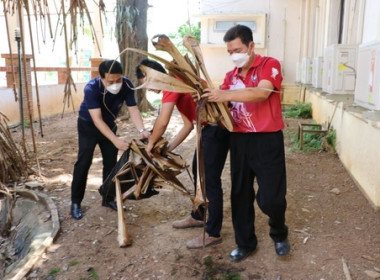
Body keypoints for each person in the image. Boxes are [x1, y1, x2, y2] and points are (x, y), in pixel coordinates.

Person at [202, 24, 290, 261]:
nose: (234, 55)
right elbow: (223, 106)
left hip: (267, 138)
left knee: (272, 198)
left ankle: (279, 232)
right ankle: (245, 243)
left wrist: (225, 94)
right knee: (240, 194)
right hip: (239, 139)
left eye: (238, 49)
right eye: (229, 51)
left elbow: (262, 94)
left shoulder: (269, 65)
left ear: (251, 46)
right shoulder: (231, 76)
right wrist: (209, 101)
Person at [136, 59, 230, 249]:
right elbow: (188, 125)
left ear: (152, 76)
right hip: (207, 131)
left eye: (145, 83)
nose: (147, 88)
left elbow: (163, 122)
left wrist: (152, 143)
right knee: (198, 175)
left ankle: (213, 233)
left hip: (216, 129)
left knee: (209, 181)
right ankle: (198, 215)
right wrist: (168, 149)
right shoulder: (179, 83)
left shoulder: (172, 83)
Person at [70, 59, 149, 220]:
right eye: (110, 81)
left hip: (109, 125)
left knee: (111, 163)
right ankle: (76, 202)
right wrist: (115, 140)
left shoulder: (126, 85)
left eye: (118, 79)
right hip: (88, 126)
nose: (115, 84)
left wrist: (142, 130)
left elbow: (133, 109)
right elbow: (97, 119)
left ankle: (108, 198)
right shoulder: (92, 88)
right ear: (101, 78)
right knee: (83, 162)